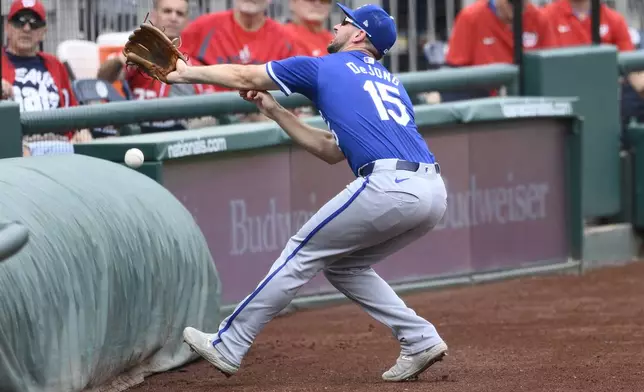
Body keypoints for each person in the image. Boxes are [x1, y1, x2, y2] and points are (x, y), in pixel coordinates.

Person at [173, 3, 449, 382]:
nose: (335, 25)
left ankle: (229, 342)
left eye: (345, 22)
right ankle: (419, 338)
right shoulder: (391, 82)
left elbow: (241, 73)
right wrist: (274, 110)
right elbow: (331, 151)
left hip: (390, 184)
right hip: (433, 191)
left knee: (300, 253)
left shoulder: (324, 66)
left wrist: (185, 73)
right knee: (343, 265)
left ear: (359, 35)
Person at [97, 0, 210, 133]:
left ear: (186, 21)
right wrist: (123, 58)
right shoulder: (137, 50)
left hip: (180, 134)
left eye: (179, 14)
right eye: (167, 11)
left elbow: (210, 105)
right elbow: (103, 79)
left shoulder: (192, 62)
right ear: (154, 16)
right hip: (141, 129)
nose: (173, 17)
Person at [1, 0, 90, 153]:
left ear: (43, 32)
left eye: (34, 23)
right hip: (16, 146)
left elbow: (74, 112)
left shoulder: (55, 64)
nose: (27, 28)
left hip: (59, 142)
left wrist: (81, 131)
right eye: (19, 22)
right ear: (7, 28)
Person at [441, 0, 557, 101]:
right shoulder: (471, 17)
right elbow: (454, 83)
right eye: (510, 1)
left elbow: (553, 73)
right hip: (487, 110)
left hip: (531, 106)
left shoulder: (539, 19)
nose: (516, 5)